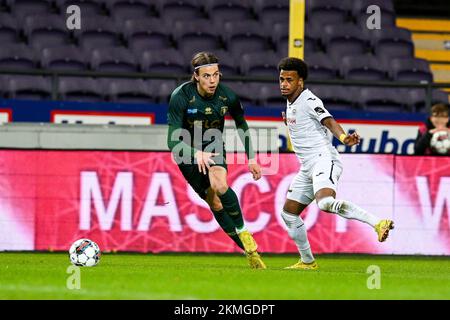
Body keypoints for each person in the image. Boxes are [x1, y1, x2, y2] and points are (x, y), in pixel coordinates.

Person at [278, 57, 394, 270]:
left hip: (324, 159)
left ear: (300, 82)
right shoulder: (291, 101)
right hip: (307, 168)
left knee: (324, 204)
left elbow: (328, 121)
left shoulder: (308, 99)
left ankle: (378, 223)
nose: (284, 84)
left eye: (289, 80)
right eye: (282, 79)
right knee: (288, 214)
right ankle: (307, 262)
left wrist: (343, 138)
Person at [166, 51, 266, 269]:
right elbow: (172, 141)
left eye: (216, 75)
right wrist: (195, 153)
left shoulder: (227, 96)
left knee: (220, 185)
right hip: (186, 152)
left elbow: (242, 125)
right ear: (196, 76)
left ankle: (243, 231)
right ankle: (249, 251)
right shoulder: (181, 96)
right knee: (214, 202)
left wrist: (251, 158)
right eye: (206, 76)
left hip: (213, 144)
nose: (212, 81)